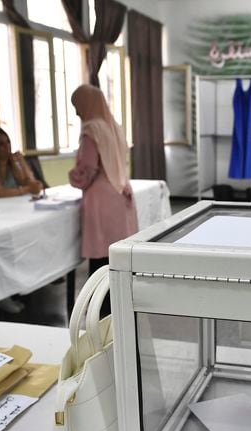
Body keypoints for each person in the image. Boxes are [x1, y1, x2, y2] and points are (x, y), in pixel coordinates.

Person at [69, 84, 138, 288]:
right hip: (121, 192)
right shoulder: (113, 126)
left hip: (101, 199)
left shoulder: (92, 129)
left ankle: (100, 309)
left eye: (77, 105)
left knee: (101, 259)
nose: (76, 111)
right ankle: (119, 303)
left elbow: (88, 169)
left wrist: (74, 177)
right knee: (117, 257)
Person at [0, 127, 43, 200]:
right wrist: (28, 189)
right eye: (1, 144)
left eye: (8, 142)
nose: (7, 146)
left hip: (8, 206)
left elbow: (30, 183)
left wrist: (22, 162)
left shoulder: (12, 163)